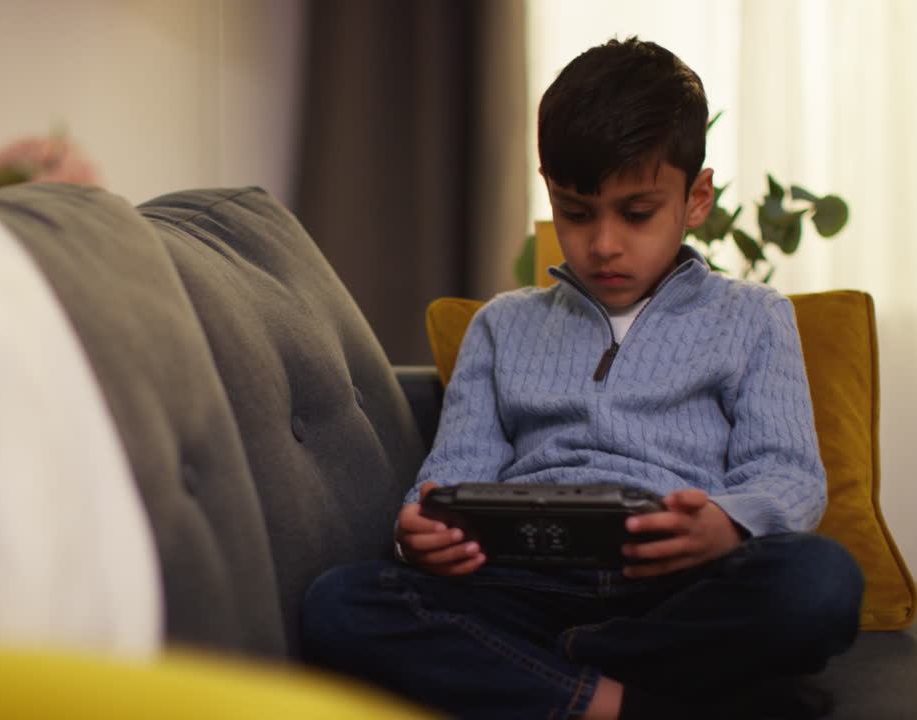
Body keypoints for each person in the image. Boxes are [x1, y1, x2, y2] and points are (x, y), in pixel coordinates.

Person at [300, 37, 864, 720]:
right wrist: (423, 524)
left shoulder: (753, 317)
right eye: (575, 211)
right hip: (523, 582)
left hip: (676, 584)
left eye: (636, 213)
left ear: (696, 199)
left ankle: (549, 672)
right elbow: (453, 472)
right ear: (549, 191)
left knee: (821, 584)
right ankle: (624, 703)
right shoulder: (502, 325)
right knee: (339, 603)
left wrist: (727, 525)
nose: (603, 244)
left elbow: (790, 474)